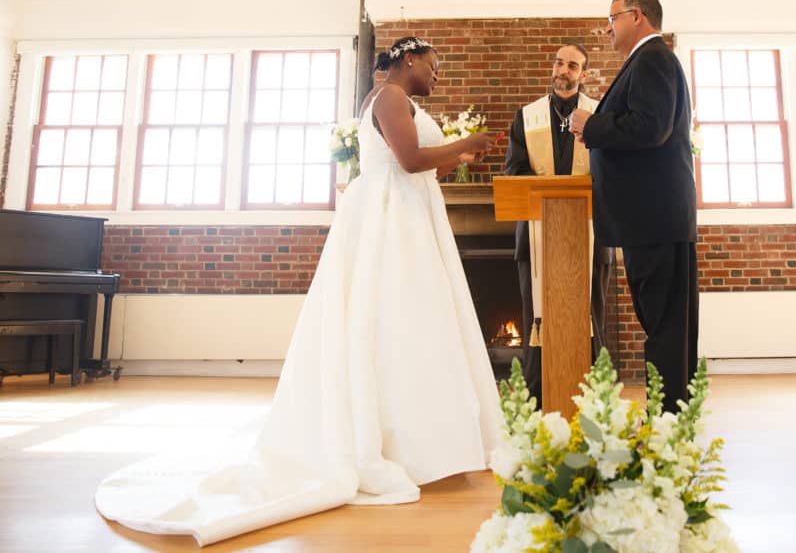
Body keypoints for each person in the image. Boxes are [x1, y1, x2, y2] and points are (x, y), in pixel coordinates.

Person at [95, 37, 504, 546]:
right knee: (395, 322)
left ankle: (425, 441)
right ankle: (392, 444)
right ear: (408, 59)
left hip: (414, 216)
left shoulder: (404, 100)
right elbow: (409, 159)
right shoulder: (390, 96)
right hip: (389, 221)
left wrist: (454, 154)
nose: (438, 74)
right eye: (435, 63)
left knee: (414, 328)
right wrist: (468, 144)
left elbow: (431, 167)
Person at [568, 0, 698, 409]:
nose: (607, 27)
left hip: (654, 216)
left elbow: (650, 128)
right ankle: (670, 417)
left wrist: (592, 125)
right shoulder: (647, 61)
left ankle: (668, 421)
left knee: (664, 324)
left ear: (636, 16)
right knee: (663, 323)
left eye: (612, 18)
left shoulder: (653, 59)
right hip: (651, 217)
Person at [503, 43, 613, 404]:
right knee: (536, 317)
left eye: (572, 66)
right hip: (536, 236)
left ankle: (594, 397)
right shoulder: (527, 116)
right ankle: (536, 395)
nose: (562, 70)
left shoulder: (601, 114)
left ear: (583, 74)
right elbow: (514, 171)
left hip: (590, 233)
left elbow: (612, 172)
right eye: (559, 63)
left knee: (591, 316)